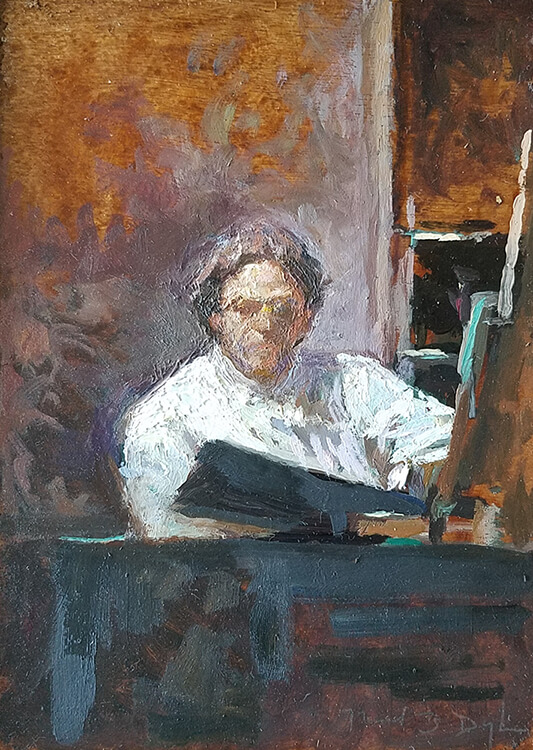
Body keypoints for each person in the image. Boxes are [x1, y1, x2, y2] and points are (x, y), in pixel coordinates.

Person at [119, 221, 454, 540]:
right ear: (216, 318)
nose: (265, 325)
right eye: (245, 308)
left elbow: (445, 444)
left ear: (306, 318)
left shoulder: (354, 382)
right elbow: (160, 527)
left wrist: (416, 473)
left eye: (281, 308)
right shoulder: (169, 414)